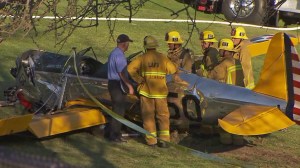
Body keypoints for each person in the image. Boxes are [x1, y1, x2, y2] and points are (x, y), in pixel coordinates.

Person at [127, 35, 177, 148]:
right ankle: (164, 140)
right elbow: (173, 70)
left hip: (146, 92)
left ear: (145, 47)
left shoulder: (142, 58)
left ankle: (151, 141)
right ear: (155, 46)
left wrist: (139, 79)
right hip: (160, 92)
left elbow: (130, 69)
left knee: (148, 116)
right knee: (163, 116)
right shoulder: (162, 57)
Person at [106, 34, 134, 143]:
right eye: (128, 43)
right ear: (124, 44)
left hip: (113, 84)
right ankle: (114, 136)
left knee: (117, 109)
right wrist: (130, 86)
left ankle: (114, 134)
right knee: (119, 110)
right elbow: (121, 73)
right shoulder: (120, 55)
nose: (128, 46)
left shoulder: (113, 53)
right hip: (117, 85)